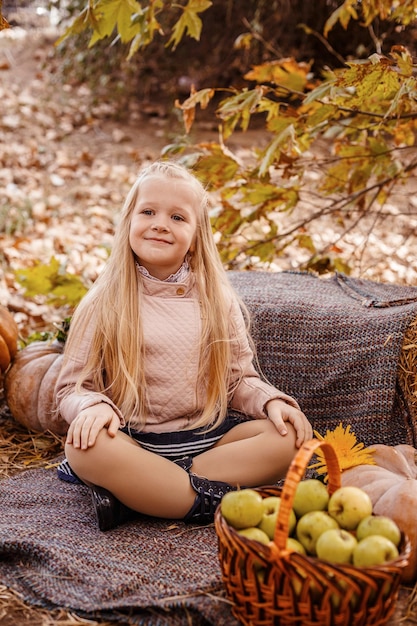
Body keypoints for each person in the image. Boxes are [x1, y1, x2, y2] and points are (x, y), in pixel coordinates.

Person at [55, 160, 313, 531]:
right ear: (128, 222)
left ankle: (145, 497)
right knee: (82, 446)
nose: (160, 223)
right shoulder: (103, 301)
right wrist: (91, 407)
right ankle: (212, 503)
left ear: (196, 237)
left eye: (178, 217)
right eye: (148, 211)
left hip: (209, 443)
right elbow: (71, 387)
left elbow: (239, 380)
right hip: (133, 444)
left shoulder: (216, 300)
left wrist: (271, 400)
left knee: (290, 438)